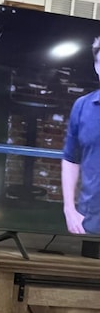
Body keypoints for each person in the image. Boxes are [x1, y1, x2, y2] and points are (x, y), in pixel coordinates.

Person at [61, 36, 100, 235]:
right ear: (96, 67)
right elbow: (70, 159)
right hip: (89, 223)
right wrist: (69, 209)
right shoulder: (82, 106)